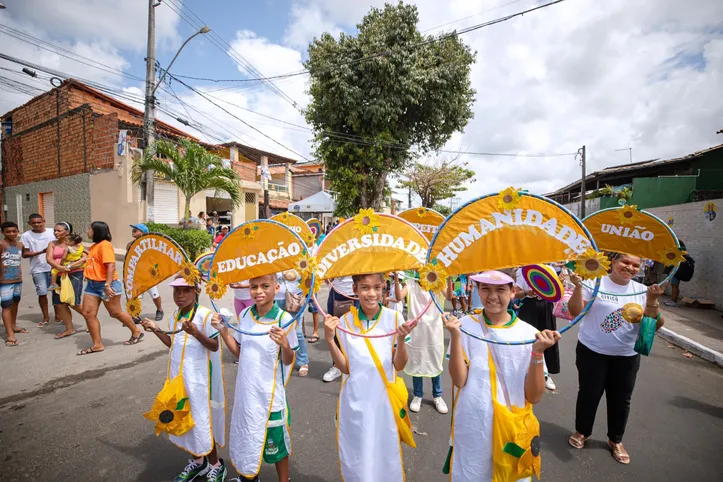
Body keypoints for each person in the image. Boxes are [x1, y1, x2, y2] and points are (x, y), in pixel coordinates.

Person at [443, 270, 561, 481]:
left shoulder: (529, 333)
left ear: (513, 291)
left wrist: (537, 353)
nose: (492, 296)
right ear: (477, 290)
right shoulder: (465, 327)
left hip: (511, 429)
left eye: (500, 289)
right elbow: (460, 381)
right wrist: (455, 337)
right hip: (473, 424)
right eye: (485, 288)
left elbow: (534, 397)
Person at [567, 253, 665, 465]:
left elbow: (655, 324)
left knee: (621, 400)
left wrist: (653, 301)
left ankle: (615, 440)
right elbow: (575, 312)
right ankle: (582, 431)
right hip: (592, 351)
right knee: (588, 394)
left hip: (626, 356)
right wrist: (577, 287)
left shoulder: (641, 290)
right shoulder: (595, 282)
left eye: (635, 265)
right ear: (613, 262)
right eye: (625, 262)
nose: (630, 267)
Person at [324, 272, 416, 482]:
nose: (371, 293)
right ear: (354, 290)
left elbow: (399, 365)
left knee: (385, 452)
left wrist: (401, 340)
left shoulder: (394, 318)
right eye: (364, 288)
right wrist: (330, 340)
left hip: (383, 400)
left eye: (377, 287)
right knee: (357, 452)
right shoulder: (345, 321)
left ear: (384, 287)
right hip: (355, 399)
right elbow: (345, 368)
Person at [213, 273, 299, 482]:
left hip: (269, 394)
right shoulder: (245, 316)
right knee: (248, 436)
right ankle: (250, 477)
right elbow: (240, 353)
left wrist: (285, 345)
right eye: (253, 286)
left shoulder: (283, 319)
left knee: (276, 442)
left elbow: (289, 360)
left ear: (276, 288)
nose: (258, 291)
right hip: (247, 392)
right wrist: (224, 332)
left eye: (264, 286)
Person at [141, 276, 226, 482]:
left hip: (199, 381)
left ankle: (215, 465)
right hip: (179, 379)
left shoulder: (205, 316)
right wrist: (155, 328)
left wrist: (196, 332)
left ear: (196, 291)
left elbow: (214, 346)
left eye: (185, 291)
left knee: (201, 420)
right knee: (184, 419)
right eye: (176, 291)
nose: (180, 296)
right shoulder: (175, 315)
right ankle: (198, 462)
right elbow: (173, 343)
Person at [78, 221, 144, 355]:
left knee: (115, 312)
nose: (87, 231)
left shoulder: (105, 245)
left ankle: (136, 331)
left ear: (97, 231)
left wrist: (107, 285)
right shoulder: (94, 246)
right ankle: (97, 344)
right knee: (88, 313)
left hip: (107, 284)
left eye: (90, 229)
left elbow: (111, 266)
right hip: (92, 284)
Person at [397, 271, 448, 415]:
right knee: (416, 360)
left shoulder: (438, 283)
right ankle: (418, 395)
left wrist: (448, 277)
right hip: (416, 331)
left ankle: (437, 395)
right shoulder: (411, 283)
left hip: (433, 331)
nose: (422, 271)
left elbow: (449, 296)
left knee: (434, 360)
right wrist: (395, 277)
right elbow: (398, 297)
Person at [515, 267, 560, 391]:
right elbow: (514, 293)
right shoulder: (522, 271)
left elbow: (557, 292)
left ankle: (546, 374)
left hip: (546, 306)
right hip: (529, 306)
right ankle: (524, 373)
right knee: (528, 339)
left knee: (548, 338)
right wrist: (526, 293)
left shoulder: (550, 269)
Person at [46, 224, 87, 339]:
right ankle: (69, 329)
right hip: (58, 274)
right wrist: (59, 268)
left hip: (74, 274)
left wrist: (71, 266)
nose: (55, 232)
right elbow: (49, 258)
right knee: (60, 303)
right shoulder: (52, 244)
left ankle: (90, 320)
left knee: (74, 302)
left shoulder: (76, 244)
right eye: (54, 230)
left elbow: (85, 257)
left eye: (59, 230)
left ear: (67, 232)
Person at [20, 214, 57, 327]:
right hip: (38, 269)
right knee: (42, 293)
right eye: (34, 223)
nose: (37, 225)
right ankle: (46, 317)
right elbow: (25, 254)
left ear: (44, 221)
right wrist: (42, 251)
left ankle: (59, 316)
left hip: (54, 268)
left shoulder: (52, 232)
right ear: (29, 223)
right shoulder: (26, 236)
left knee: (56, 292)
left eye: (39, 222)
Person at [127, 224, 164, 322]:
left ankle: (160, 310)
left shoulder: (149, 245)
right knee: (136, 297)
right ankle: (135, 315)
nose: (133, 231)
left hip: (148, 275)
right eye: (133, 229)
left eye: (136, 229)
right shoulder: (130, 244)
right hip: (136, 276)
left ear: (142, 232)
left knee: (154, 295)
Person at [322, 276, 355, 382]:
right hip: (337, 292)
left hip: (357, 294)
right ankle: (337, 366)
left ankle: (356, 365)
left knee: (356, 332)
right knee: (335, 329)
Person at [1, 222, 25, 346]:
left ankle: (13, 326)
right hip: (4, 281)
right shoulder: (1, 244)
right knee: (6, 306)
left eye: (14, 231)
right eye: (8, 232)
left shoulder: (20, 245)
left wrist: (42, 251)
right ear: (2, 233)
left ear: (17, 231)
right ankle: (10, 335)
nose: (11, 234)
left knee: (15, 303)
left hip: (17, 279)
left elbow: (25, 255)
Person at [283, 269, 309, 377]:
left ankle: (303, 361)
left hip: (294, 300)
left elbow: (308, 283)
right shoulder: (273, 256)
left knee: (297, 332)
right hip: (275, 298)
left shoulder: (300, 259)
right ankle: (281, 358)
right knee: (277, 331)